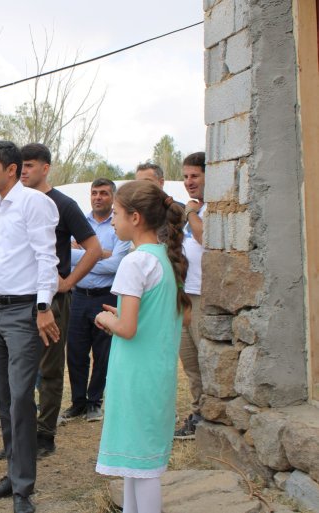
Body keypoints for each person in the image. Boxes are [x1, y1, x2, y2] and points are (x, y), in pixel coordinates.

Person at [93, 180, 190, 513]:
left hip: (135, 373)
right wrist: (120, 315)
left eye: (117, 214)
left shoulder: (134, 263)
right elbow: (156, 314)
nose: (114, 220)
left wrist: (107, 320)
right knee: (139, 461)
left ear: (135, 218)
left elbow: (127, 328)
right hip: (156, 372)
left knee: (142, 467)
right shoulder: (165, 257)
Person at [0, 141, 59, 513]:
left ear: (11, 169)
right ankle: (12, 474)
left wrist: (44, 307)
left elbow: (47, 257)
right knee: (3, 398)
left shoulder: (34, 203)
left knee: (21, 397)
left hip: (25, 312)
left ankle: (24, 488)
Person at [18, 143, 100, 457]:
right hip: (17, 298)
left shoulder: (63, 204)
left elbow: (92, 248)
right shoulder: (15, 203)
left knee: (49, 369)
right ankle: (21, 433)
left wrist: (68, 282)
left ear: (45, 168)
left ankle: (44, 436)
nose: (24, 170)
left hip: (51, 300)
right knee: (20, 369)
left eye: (29, 165)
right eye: (20, 165)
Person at [65, 178, 130, 422]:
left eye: (103, 193)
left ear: (112, 197)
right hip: (79, 296)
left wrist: (83, 255)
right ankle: (78, 402)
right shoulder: (79, 221)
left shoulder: (118, 224)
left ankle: (94, 401)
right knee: (76, 351)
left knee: (102, 353)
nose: (98, 197)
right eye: (94, 193)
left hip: (105, 296)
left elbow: (118, 264)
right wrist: (98, 254)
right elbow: (64, 255)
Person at [174, 152, 206, 440]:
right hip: (185, 296)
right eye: (185, 176)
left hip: (204, 297)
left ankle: (210, 415)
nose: (189, 182)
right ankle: (198, 414)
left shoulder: (205, 210)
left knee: (206, 360)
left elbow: (203, 237)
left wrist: (190, 212)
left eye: (194, 175)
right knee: (191, 362)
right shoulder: (193, 209)